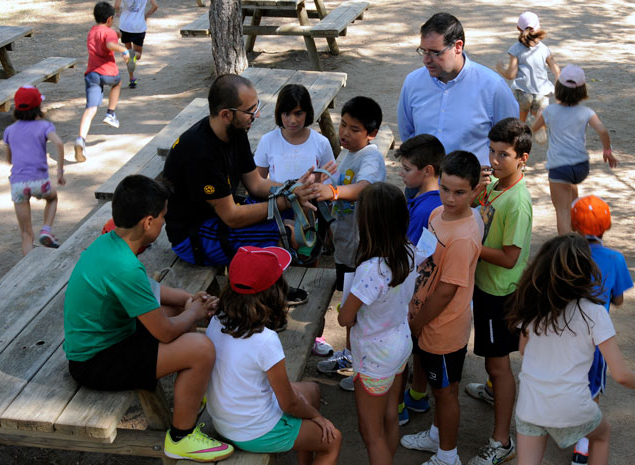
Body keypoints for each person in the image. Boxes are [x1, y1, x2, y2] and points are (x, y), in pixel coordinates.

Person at [63, 175, 233, 463]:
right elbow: (165, 333)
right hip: (95, 363)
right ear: (148, 222)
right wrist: (194, 311)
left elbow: (148, 293)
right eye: (164, 216)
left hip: (111, 339)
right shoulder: (123, 267)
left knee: (180, 313)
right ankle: (181, 437)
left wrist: (187, 300)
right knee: (202, 348)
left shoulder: (111, 244)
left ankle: (192, 393)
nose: (166, 222)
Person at [506, 234, 635, 465]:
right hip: (573, 406)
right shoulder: (594, 313)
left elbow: (524, 350)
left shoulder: (533, 305)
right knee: (601, 436)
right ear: (586, 269)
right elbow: (621, 375)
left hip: (531, 404)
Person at [162, 74, 315, 280]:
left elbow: (256, 183)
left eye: (257, 106)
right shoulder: (201, 153)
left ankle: (265, 288)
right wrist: (284, 202)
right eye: (251, 110)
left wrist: (293, 189)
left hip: (220, 214)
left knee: (297, 218)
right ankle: (264, 298)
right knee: (290, 234)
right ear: (226, 114)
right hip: (193, 235)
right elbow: (232, 217)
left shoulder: (235, 129)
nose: (257, 115)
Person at [205, 245, 342, 464]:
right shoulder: (265, 339)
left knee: (312, 391)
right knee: (333, 439)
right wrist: (318, 417)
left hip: (224, 418)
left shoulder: (218, 317)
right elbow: (289, 403)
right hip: (253, 431)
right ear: (275, 291)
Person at [401, 151, 483, 465]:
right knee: (439, 388)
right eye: (445, 189)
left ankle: (448, 456)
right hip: (424, 318)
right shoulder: (437, 214)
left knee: (446, 393)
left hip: (443, 327)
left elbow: (447, 291)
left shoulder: (463, 237)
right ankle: (436, 436)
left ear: (475, 191)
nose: (449, 198)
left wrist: (418, 322)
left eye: (460, 192)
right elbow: (423, 258)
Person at [464, 118, 533, 465]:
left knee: (499, 365)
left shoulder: (518, 201)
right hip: (485, 286)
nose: (493, 160)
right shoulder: (495, 186)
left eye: (503, 154)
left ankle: (502, 440)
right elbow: (481, 215)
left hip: (500, 293)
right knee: (494, 362)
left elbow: (509, 258)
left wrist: (471, 245)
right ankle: (493, 393)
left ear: (522, 158)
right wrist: (476, 196)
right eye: (491, 151)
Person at [337, 183, 418, 465]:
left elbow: (345, 317)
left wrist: (342, 307)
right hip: (399, 345)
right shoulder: (409, 251)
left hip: (374, 357)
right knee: (390, 416)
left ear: (368, 222)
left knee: (371, 434)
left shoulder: (371, 269)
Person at [397, 12, 518, 198]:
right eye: (423, 51)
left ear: (458, 46)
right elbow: (409, 135)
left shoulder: (493, 88)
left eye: (435, 52)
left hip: (473, 196)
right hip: (421, 192)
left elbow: (512, 145)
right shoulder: (412, 83)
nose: (426, 60)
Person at [311, 96, 386, 389]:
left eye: (354, 129)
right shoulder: (347, 153)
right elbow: (334, 179)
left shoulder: (371, 157)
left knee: (360, 310)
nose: (345, 133)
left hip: (362, 250)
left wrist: (333, 191)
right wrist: (319, 180)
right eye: (343, 124)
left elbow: (364, 187)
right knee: (350, 305)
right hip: (346, 245)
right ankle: (352, 356)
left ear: (371, 134)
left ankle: (363, 367)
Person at [569, 195, 634, 465]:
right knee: (592, 390)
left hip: (564, 334)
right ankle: (582, 446)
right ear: (606, 227)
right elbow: (618, 299)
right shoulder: (615, 259)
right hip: (595, 338)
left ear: (573, 226)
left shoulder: (565, 253)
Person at [393, 133, 445, 425]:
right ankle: (418, 394)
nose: (401, 173)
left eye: (406, 169)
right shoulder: (432, 202)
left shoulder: (424, 208)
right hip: (427, 287)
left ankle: (397, 407)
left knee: (403, 348)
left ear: (427, 171)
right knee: (420, 344)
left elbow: (410, 253)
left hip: (414, 290)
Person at [531, 64, 618, 235]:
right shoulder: (586, 112)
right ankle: (575, 223)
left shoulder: (550, 111)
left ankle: (567, 249)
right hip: (580, 167)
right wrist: (607, 152)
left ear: (559, 88)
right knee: (570, 190)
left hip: (559, 167)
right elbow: (602, 130)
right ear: (582, 91)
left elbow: (534, 128)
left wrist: (538, 117)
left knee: (561, 210)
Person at [4, 86, 66, 255]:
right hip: (40, 182)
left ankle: (26, 271)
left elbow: (9, 159)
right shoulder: (44, 126)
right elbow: (59, 143)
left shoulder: (9, 131)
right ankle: (46, 229)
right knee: (52, 198)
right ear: (38, 107)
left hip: (18, 185)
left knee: (26, 234)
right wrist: (60, 170)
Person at [74, 1, 130, 162]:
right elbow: (109, 43)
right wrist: (123, 49)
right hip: (107, 73)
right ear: (110, 19)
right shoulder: (109, 32)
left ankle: (80, 140)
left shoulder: (92, 31)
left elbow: (104, 39)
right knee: (117, 83)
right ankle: (110, 113)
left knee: (90, 109)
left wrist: (116, 35)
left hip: (91, 74)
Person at [495, 11, 560, 143]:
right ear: (538, 28)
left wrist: (500, 68)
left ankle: (518, 142)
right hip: (541, 93)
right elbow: (556, 70)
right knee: (540, 112)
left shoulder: (515, 49)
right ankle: (539, 124)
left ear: (518, 28)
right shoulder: (544, 49)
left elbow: (511, 75)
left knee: (519, 122)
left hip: (522, 92)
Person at [254, 84, 335, 183]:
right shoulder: (267, 141)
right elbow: (257, 183)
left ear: (307, 112)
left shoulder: (321, 142)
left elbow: (332, 179)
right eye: (287, 114)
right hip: (277, 197)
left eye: (298, 113)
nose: (292, 120)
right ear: (279, 113)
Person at [113, 0, 158, 89]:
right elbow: (155, 6)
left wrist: (117, 12)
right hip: (138, 27)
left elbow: (116, 6)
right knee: (137, 56)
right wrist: (146, 16)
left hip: (125, 25)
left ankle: (131, 78)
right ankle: (132, 58)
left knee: (129, 54)